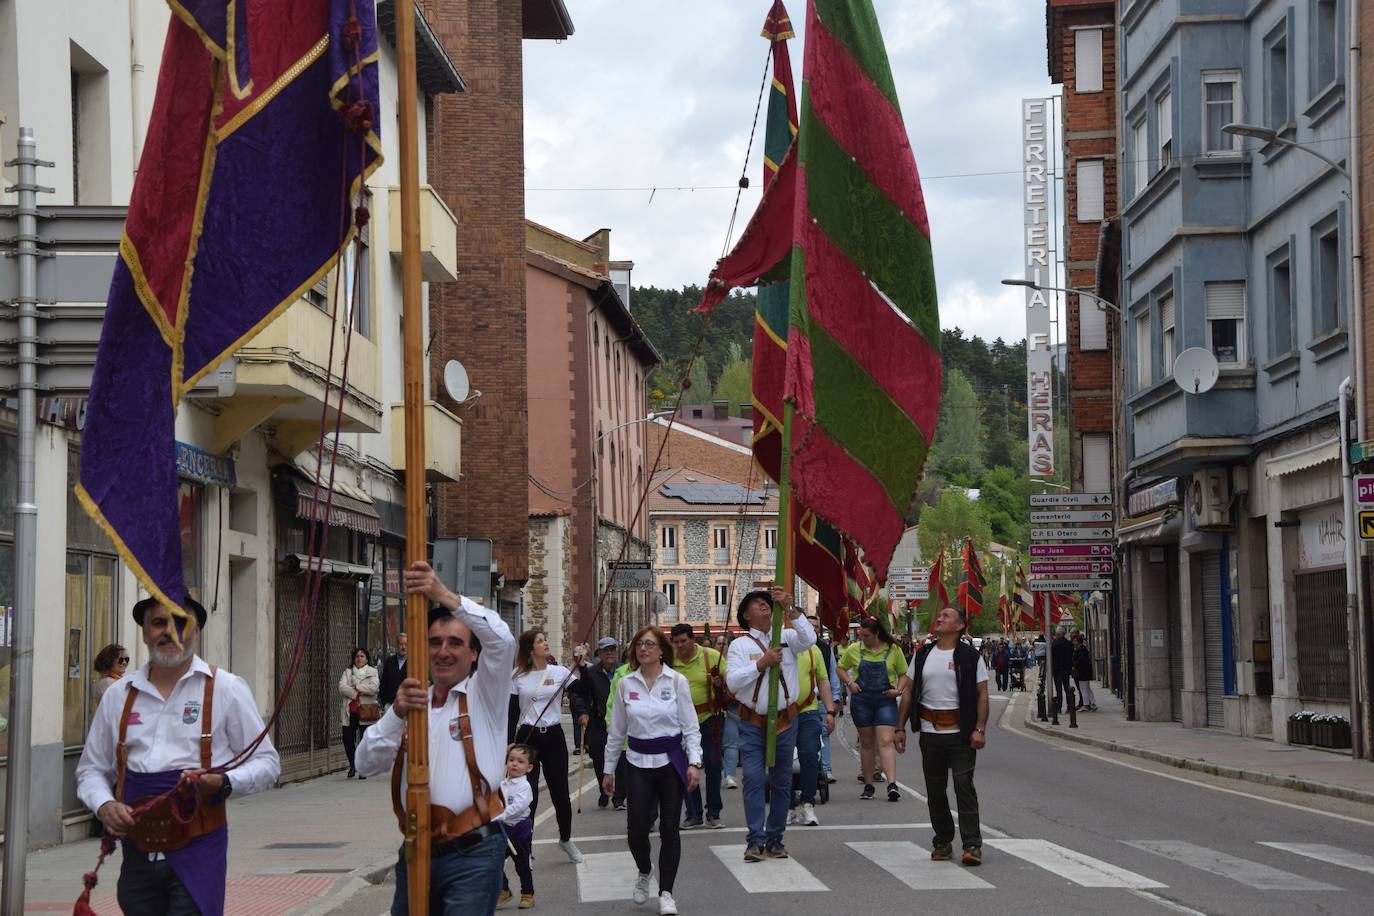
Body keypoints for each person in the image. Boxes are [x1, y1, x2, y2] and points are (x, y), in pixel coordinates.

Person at [76, 596, 281, 916]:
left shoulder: (226, 688)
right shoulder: (119, 694)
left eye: (181, 624)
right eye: (159, 622)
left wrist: (225, 782)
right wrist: (104, 805)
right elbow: (91, 770)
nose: (169, 632)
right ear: (144, 632)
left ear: (196, 632)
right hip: (137, 855)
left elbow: (268, 763)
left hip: (199, 853)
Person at [355, 561, 516, 915]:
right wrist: (395, 714)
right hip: (417, 851)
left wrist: (442, 595)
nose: (444, 651)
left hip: (473, 851)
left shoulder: (485, 694)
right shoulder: (412, 704)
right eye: (435, 642)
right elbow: (364, 763)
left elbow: (503, 641)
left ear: (474, 654)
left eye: (455, 643)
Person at [603, 626, 701, 916]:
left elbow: (690, 727)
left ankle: (667, 892)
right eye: (638, 645)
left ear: (661, 650)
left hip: (671, 762)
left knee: (670, 827)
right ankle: (644, 871)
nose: (643, 649)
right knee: (636, 830)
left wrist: (694, 762)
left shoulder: (678, 681)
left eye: (649, 644)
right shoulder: (625, 684)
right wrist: (608, 770)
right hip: (637, 762)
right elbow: (617, 730)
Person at [723, 587, 813, 862]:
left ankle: (775, 838)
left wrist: (791, 608)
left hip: (785, 719)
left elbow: (809, 639)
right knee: (752, 778)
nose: (763, 605)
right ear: (746, 616)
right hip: (753, 721)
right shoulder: (740, 645)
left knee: (782, 781)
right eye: (757, 604)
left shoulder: (785, 636)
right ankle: (755, 839)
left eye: (766, 602)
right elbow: (734, 682)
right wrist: (761, 664)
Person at [896, 605, 989, 866]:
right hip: (929, 733)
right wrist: (899, 727)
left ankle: (972, 844)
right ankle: (942, 841)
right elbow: (908, 691)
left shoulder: (971, 657)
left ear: (959, 626)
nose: (939, 618)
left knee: (963, 788)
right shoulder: (923, 654)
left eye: (946, 616)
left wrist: (980, 729)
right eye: (940, 615)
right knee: (935, 791)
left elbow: (982, 693)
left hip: (961, 734)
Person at [511, 629, 584, 863]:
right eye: (540, 641)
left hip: (553, 735)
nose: (545, 643)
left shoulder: (560, 672)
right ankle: (526, 848)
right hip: (528, 737)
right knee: (528, 796)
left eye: (545, 639)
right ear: (530, 649)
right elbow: (511, 713)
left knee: (560, 793)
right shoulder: (517, 676)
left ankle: (565, 839)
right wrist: (509, 745)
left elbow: (581, 691)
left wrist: (581, 665)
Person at [837, 616, 910, 801]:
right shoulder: (854, 649)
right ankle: (868, 785)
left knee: (886, 740)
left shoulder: (893, 649)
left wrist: (898, 690)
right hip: (862, 700)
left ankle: (892, 784)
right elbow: (840, 668)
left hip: (885, 699)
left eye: (866, 636)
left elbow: (903, 673)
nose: (863, 639)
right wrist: (850, 683)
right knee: (867, 743)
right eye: (861, 636)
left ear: (877, 634)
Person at [669, 623, 725, 829]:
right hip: (680, 722)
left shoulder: (711, 656)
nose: (680, 645)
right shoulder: (669, 661)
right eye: (675, 642)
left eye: (683, 641)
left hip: (709, 717)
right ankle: (693, 813)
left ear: (693, 639)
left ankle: (714, 812)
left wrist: (721, 683)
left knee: (712, 765)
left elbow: (731, 685)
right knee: (685, 767)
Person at [789, 634, 837, 826]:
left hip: (808, 711)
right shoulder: (777, 648)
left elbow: (823, 680)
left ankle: (808, 804)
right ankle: (787, 806)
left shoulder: (813, 650)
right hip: (782, 714)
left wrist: (830, 711)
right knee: (783, 760)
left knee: (809, 755)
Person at [569, 636, 618, 808]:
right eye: (606, 650)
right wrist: (582, 713)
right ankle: (603, 788)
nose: (609, 653)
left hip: (620, 723)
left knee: (621, 759)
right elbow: (580, 695)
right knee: (599, 759)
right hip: (598, 722)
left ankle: (618, 796)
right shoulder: (591, 673)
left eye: (612, 649)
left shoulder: (624, 671)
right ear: (599, 653)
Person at [496, 744, 537, 910]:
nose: (514, 764)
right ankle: (503, 890)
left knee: (522, 865)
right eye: (511, 759)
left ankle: (528, 894)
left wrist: (500, 815)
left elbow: (518, 806)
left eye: (520, 761)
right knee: (495, 862)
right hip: (502, 829)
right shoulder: (502, 784)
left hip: (520, 830)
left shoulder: (525, 787)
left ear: (529, 768)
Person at [339, 647, 379, 779]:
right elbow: (342, 688)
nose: (359, 658)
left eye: (362, 656)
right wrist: (357, 692)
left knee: (364, 741)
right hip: (350, 711)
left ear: (367, 659)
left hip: (366, 710)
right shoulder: (348, 672)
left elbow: (373, 688)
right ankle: (353, 765)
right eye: (357, 656)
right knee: (348, 739)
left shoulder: (373, 671)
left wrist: (356, 687)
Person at [378, 631, 408, 710]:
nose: (403, 647)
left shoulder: (413, 663)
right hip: (390, 706)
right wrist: (384, 703)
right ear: (397, 645)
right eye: (401, 644)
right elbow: (383, 683)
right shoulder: (389, 661)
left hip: (407, 706)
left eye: (406, 644)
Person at [1071, 633, 1097, 711]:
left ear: (1077, 641)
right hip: (1086, 671)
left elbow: (1080, 661)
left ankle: (1086, 705)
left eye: (1075, 641)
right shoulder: (1083, 649)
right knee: (1087, 688)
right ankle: (1092, 703)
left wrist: (1075, 664)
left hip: (1082, 672)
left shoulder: (1080, 650)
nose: (1073, 642)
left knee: (1083, 689)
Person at [1051, 626, 1073, 713]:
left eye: (1056, 633)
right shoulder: (1069, 644)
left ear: (1059, 633)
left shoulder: (1055, 644)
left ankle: (1059, 708)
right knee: (1067, 689)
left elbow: (1052, 657)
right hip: (1066, 669)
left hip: (1057, 670)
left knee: (1059, 690)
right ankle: (1069, 706)